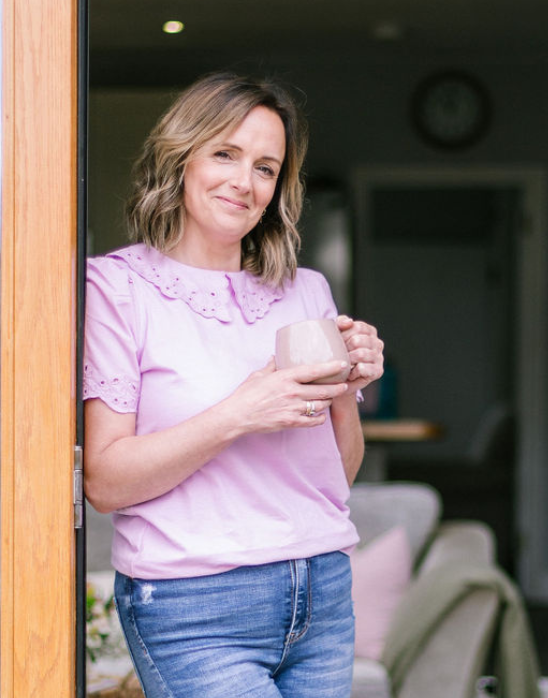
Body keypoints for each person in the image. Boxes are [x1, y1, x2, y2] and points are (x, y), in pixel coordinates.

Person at [83, 71, 384, 698]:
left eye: (266, 168)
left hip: (322, 592)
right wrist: (242, 411)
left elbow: (339, 476)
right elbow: (106, 483)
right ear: (182, 158)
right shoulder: (117, 289)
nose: (245, 183)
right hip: (195, 605)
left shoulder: (308, 290)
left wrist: (348, 386)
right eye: (225, 154)